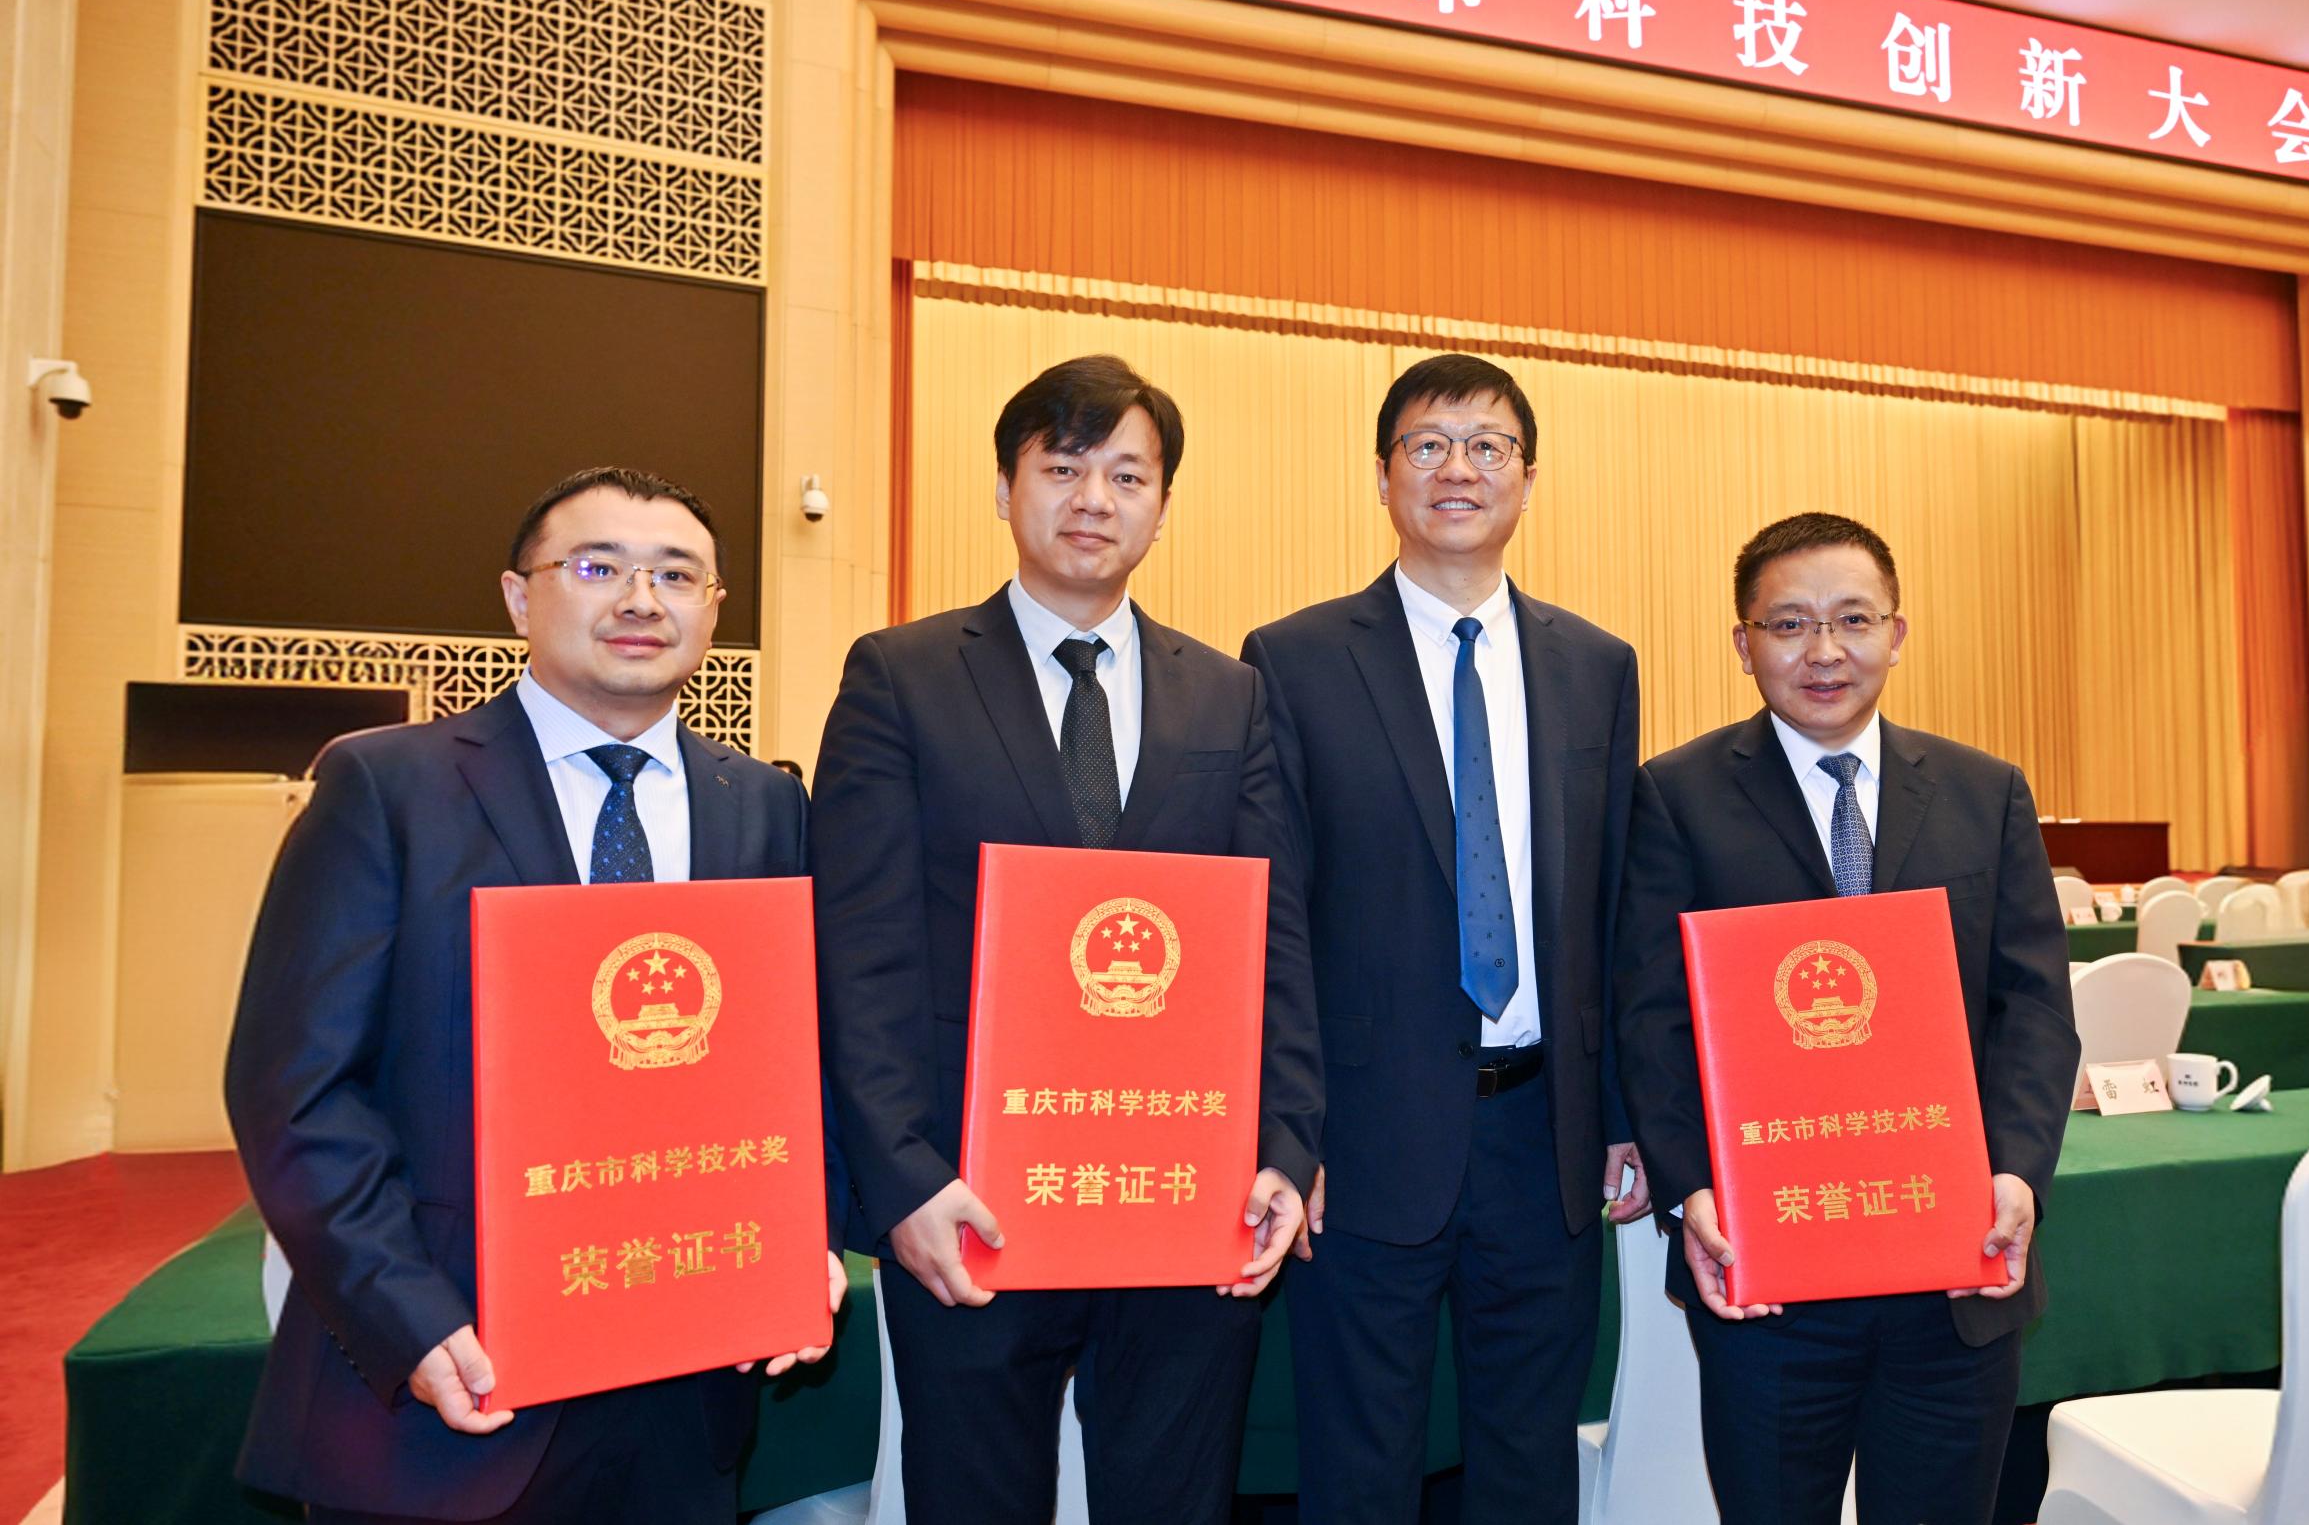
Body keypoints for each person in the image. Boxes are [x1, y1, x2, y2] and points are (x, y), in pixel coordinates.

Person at [224, 467, 838, 1524]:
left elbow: (789, 1060)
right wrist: (407, 1317)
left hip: (686, 1383)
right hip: (453, 1377)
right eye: (599, 568)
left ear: (714, 610)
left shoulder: (764, 805)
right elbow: (295, 1091)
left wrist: (791, 1241)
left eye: (677, 575)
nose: (641, 600)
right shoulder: (387, 786)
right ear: (519, 597)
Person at [811, 354, 1321, 1524]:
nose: (1095, 498)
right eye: (1063, 467)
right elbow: (861, 952)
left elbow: (1275, 943)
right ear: (1005, 488)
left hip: (1185, 1195)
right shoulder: (902, 677)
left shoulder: (1230, 696)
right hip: (972, 1204)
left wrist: (1286, 1147)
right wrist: (905, 1179)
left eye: (1127, 475)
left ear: (1163, 507)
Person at [1241, 353, 1648, 1524]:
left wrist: (1621, 1111)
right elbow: (1276, 917)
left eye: (1488, 446)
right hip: (1364, 1136)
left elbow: (1614, 905)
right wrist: (1290, 1127)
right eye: (1427, 444)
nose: (1458, 468)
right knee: (1360, 1461)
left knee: (1529, 1460)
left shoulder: (1596, 666)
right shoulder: (1294, 660)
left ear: (1528, 477)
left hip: (1545, 1131)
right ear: (1383, 477)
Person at [1613, 511, 2080, 1525]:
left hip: (1956, 1273)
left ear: (1897, 634)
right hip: (1772, 1274)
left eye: (1853, 619)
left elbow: (2035, 1006)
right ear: (1744, 645)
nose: (1823, 650)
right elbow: (1651, 1018)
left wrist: (2015, 1172)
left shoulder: (1985, 791)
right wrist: (1690, 1187)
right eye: (1789, 624)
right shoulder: (1677, 796)